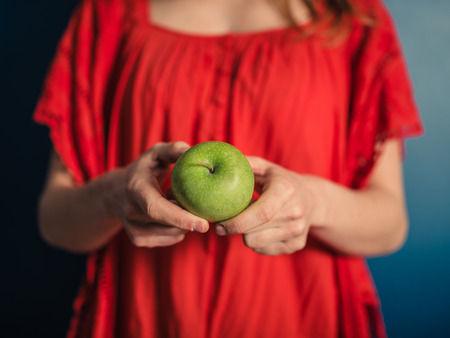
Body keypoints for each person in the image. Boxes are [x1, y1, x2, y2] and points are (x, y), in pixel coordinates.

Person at [34, 0, 423, 336]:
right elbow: (55, 220)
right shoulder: (108, 13)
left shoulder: (355, 19)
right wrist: (114, 194)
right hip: (147, 316)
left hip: (301, 317)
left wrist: (313, 202)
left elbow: (389, 225)